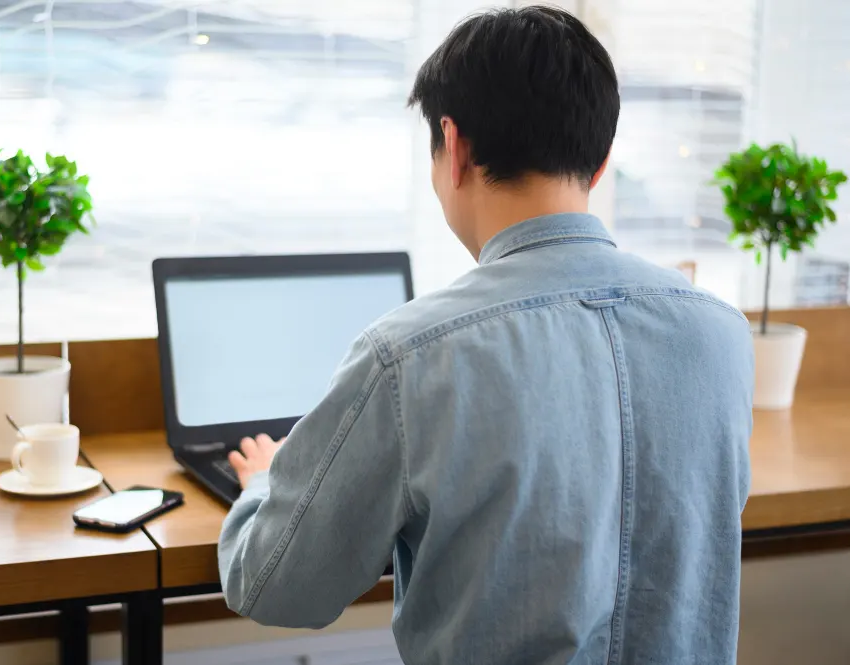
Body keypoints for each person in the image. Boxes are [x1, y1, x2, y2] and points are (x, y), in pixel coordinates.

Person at [218, 6, 753, 664]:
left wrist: (264, 485)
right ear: (602, 158)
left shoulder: (412, 355)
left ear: (455, 145)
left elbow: (273, 584)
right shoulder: (721, 333)